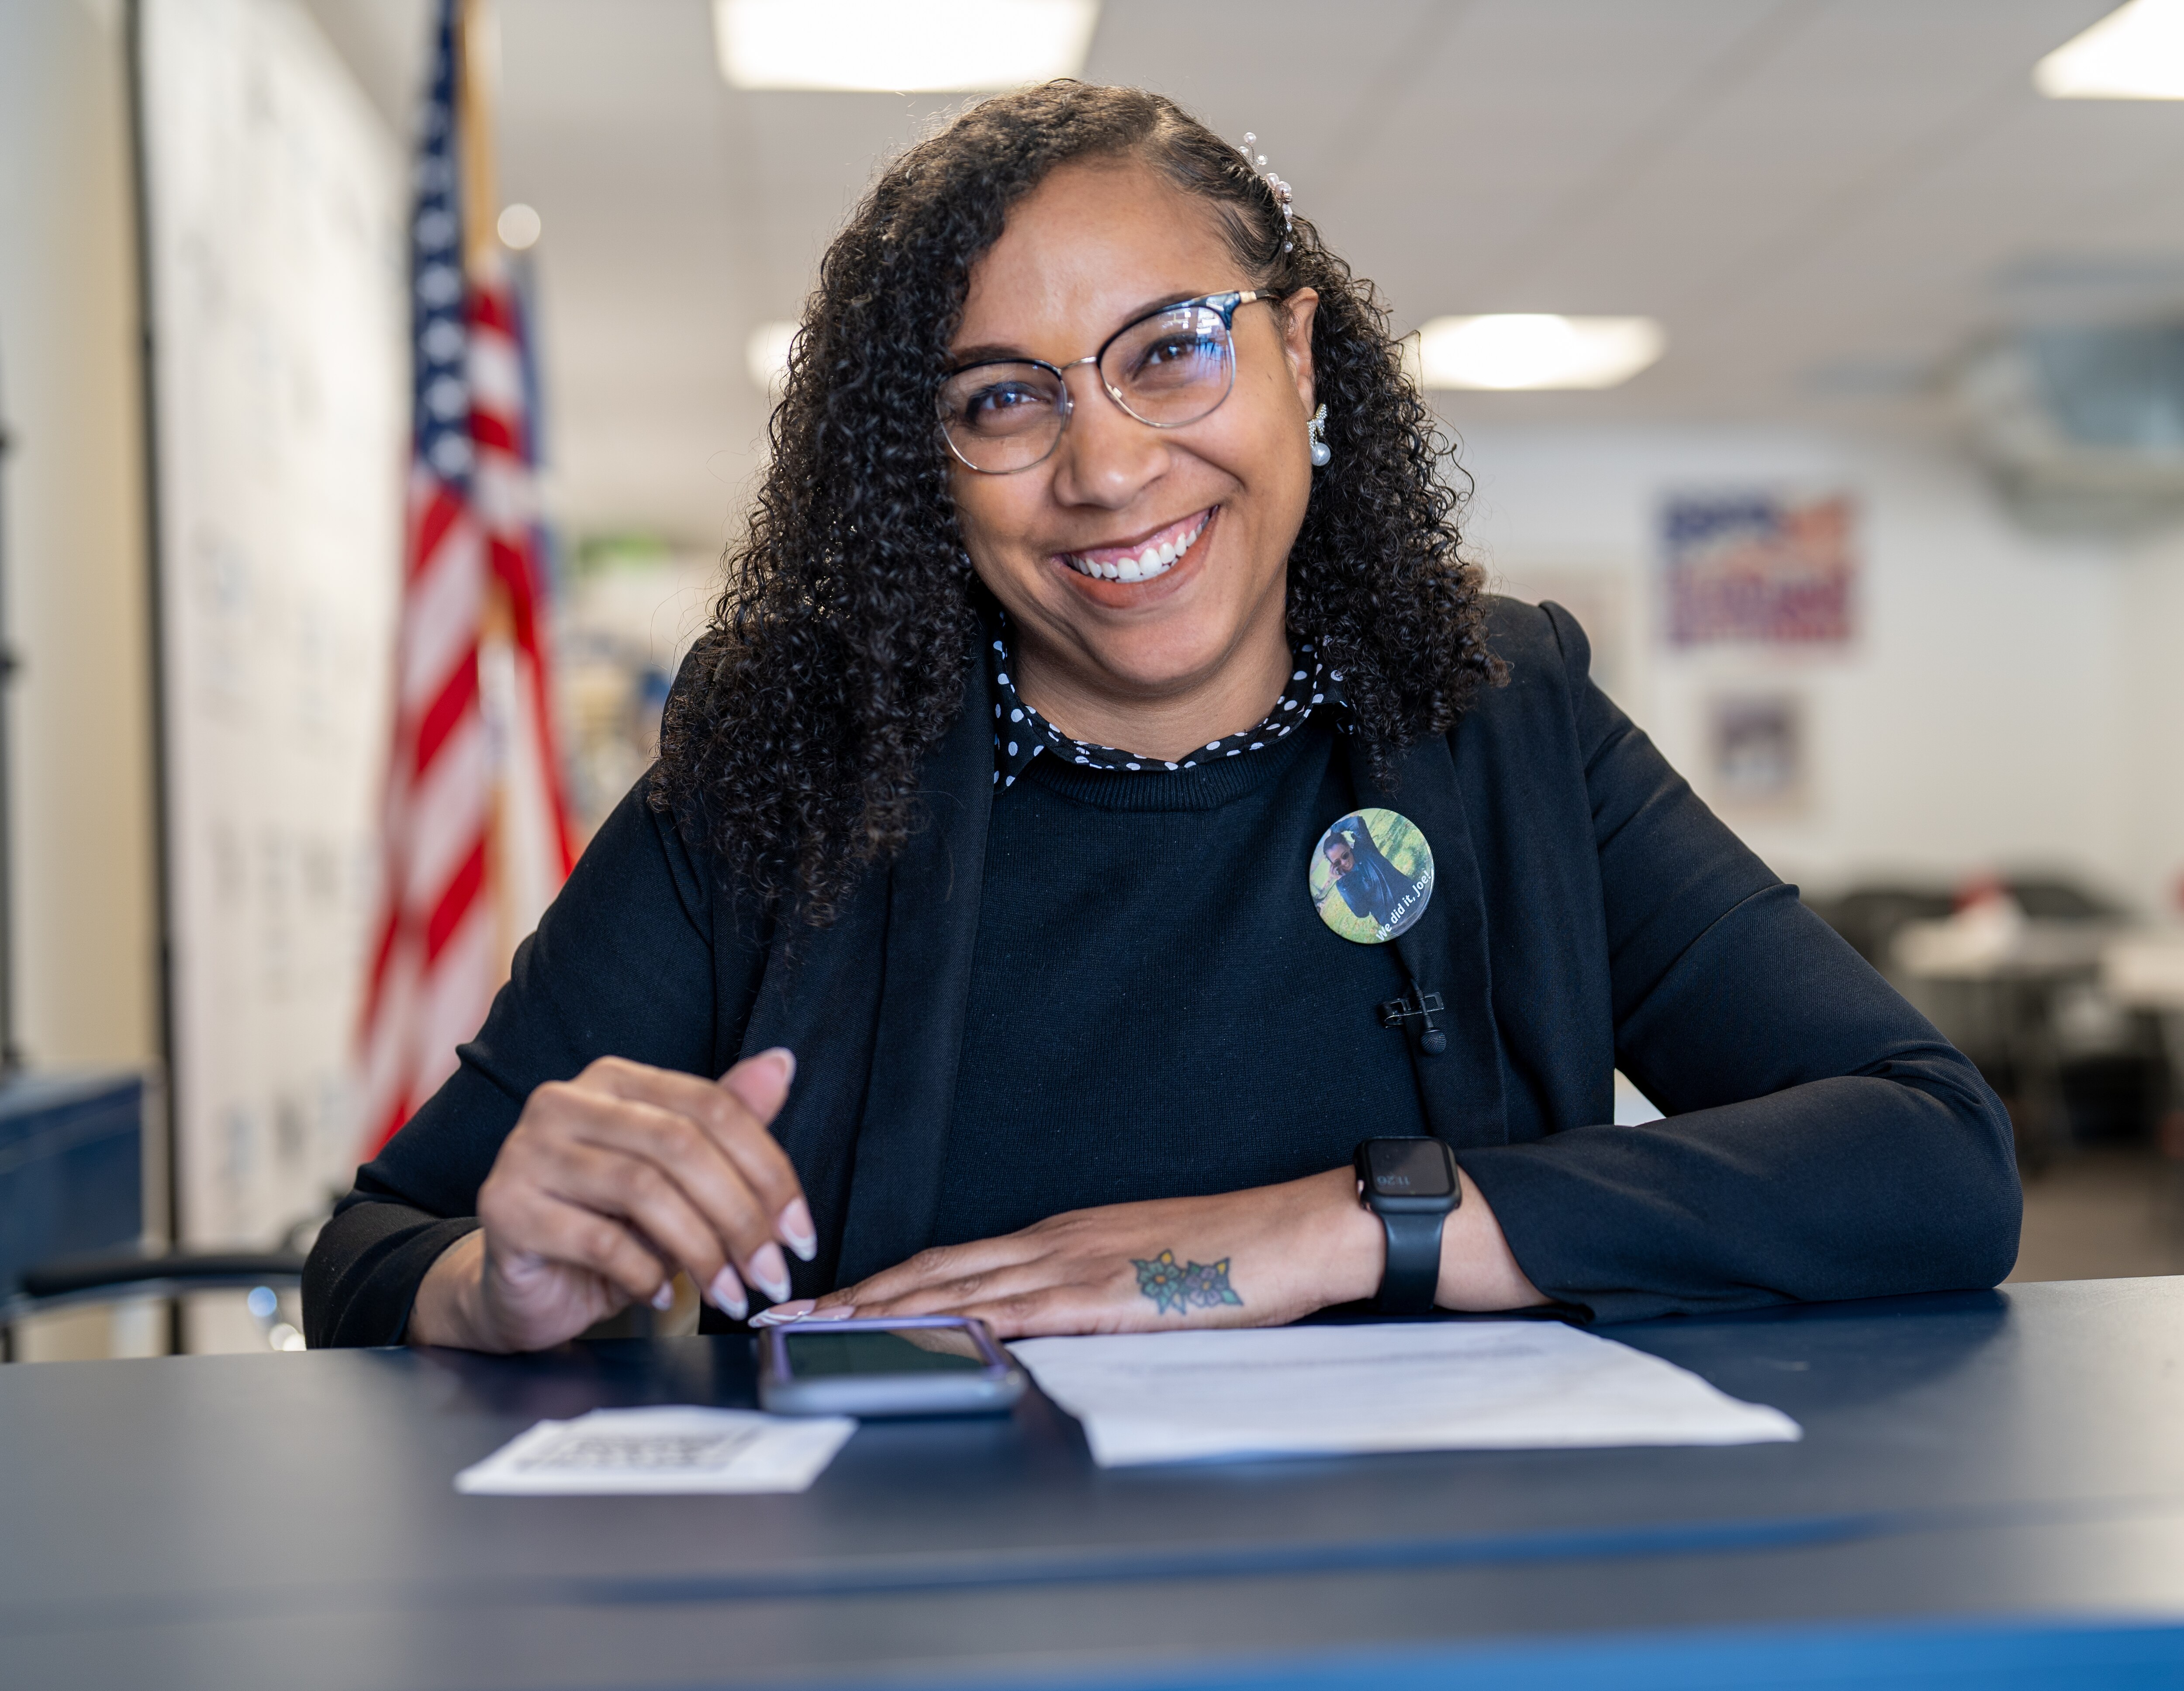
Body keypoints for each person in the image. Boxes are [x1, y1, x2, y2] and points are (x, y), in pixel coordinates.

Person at [304, 83, 2019, 1354]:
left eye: (1169, 351)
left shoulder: (1503, 715)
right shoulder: (783, 761)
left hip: (1447, 1597)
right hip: (912, 1626)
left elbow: (1928, 1152)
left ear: (1296, 357)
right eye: (1002, 398)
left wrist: (1332, 1228)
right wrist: (491, 1278)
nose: (1106, 464)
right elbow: (379, 1248)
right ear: (929, 468)